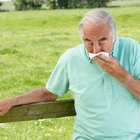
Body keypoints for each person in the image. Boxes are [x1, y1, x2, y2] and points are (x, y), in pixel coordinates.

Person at [0, 9, 140, 140]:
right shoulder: (71, 58)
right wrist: (11, 102)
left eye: (102, 41)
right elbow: (48, 93)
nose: (96, 49)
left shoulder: (132, 49)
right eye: (88, 42)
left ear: (114, 36)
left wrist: (121, 74)